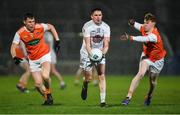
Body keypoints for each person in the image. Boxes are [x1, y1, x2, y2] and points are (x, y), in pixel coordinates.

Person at [10, 13, 60, 105]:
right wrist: (14, 57)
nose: (32, 24)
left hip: (44, 55)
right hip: (33, 60)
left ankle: (48, 93)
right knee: (37, 85)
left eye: (33, 21)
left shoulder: (39, 26)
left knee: (45, 76)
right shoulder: (20, 33)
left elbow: (51, 26)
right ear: (24, 22)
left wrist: (57, 40)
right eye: (29, 22)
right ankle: (47, 98)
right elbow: (13, 47)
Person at [120, 13, 166, 106]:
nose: (144, 24)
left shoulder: (154, 36)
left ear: (153, 23)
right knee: (140, 73)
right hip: (146, 56)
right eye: (144, 22)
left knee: (152, 82)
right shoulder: (144, 28)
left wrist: (130, 37)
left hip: (158, 60)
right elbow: (137, 25)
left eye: (147, 23)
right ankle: (128, 97)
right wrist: (132, 23)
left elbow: (143, 38)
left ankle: (149, 96)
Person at [80, 8, 110, 107]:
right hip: (87, 52)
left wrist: (103, 54)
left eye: (100, 15)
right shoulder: (87, 26)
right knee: (89, 78)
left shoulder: (106, 27)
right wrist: (91, 55)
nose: (98, 17)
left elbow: (106, 45)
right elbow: (88, 44)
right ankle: (85, 84)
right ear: (91, 16)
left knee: (101, 75)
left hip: (100, 52)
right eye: (96, 15)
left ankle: (103, 101)